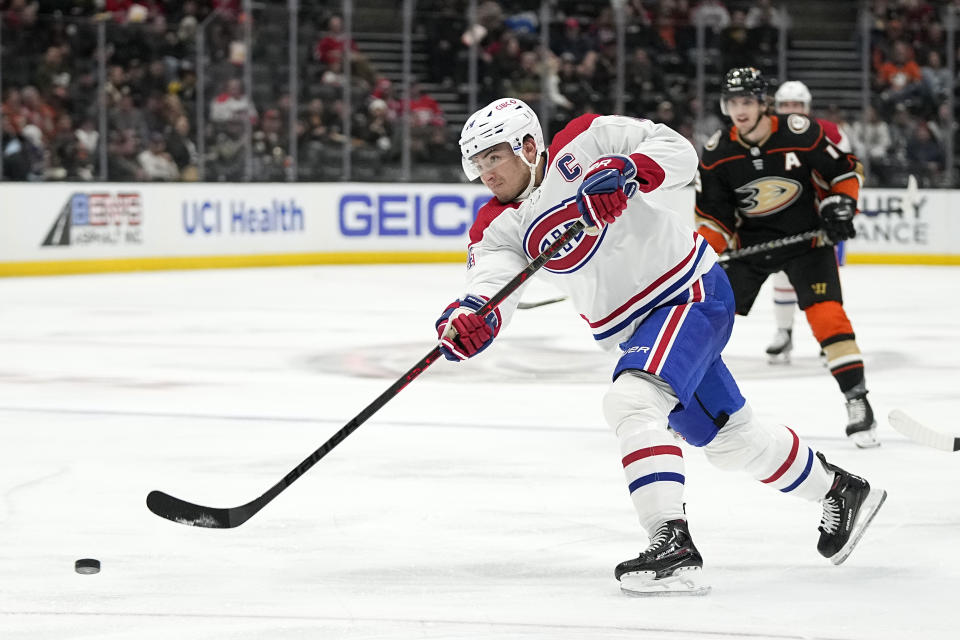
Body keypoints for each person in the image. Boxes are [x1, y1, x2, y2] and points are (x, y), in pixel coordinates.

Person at [437, 97, 887, 596]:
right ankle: (840, 490)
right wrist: (470, 320)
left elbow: (677, 150)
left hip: (687, 294)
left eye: (493, 157)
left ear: (527, 146)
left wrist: (629, 168)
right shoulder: (496, 227)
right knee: (731, 441)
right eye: (477, 163)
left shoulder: (586, 138)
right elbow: (488, 285)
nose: (486, 173)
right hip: (638, 332)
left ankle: (670, 543)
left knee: (631, 400)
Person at [694, 68, 879, 448]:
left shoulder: (799, 131)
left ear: (764, 103)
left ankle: (857, 401)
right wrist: (703, 254)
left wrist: (842, 205)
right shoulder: (716, 153)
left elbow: (845, 170)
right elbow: (714, 217)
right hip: (751, 246)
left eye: (747, 101)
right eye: (732, 102)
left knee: (827, 316)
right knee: (702, 317)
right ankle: (687, 403)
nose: (739, 110)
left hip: (806, 241)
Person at [765, 80, 855, 364]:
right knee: (782, 274)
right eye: (786, 105)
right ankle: (784, 332)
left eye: (797, 105)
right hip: (784, 219)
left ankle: (830, 336)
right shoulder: (763, 135)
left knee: (824, 277)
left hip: (822, 218)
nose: (792, 110)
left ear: (807, 107)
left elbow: (846, 173)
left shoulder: (830, 133)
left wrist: (837, 204)